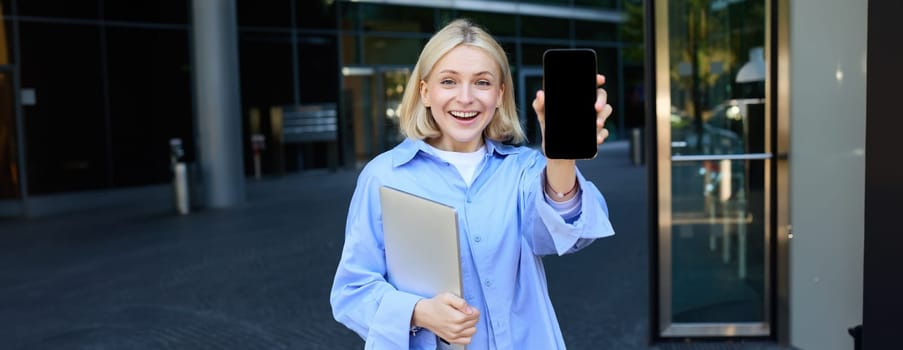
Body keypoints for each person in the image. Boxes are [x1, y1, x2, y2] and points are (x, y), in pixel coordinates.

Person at [330, 18, 615, 349]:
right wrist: (419, 312)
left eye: (482, 83)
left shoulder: (525, 170)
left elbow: (564, 236)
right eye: (449, 81)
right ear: (425, 92)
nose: (465, 98)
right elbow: (350, 291)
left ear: (499, 94)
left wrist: (561, 157)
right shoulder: (384, 176)